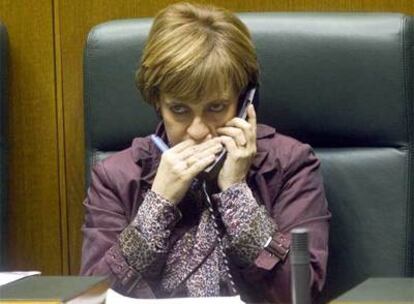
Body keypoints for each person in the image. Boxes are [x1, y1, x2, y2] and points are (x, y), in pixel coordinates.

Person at [80, 2, 330, 303]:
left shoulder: (290, 165)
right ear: (157, 102)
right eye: (180, 110)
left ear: (244, 100)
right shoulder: (117, 177)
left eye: (216, 107)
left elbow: (302, 293)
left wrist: (237, 196)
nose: (198, 130)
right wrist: (156, 208)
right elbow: (90, 297)